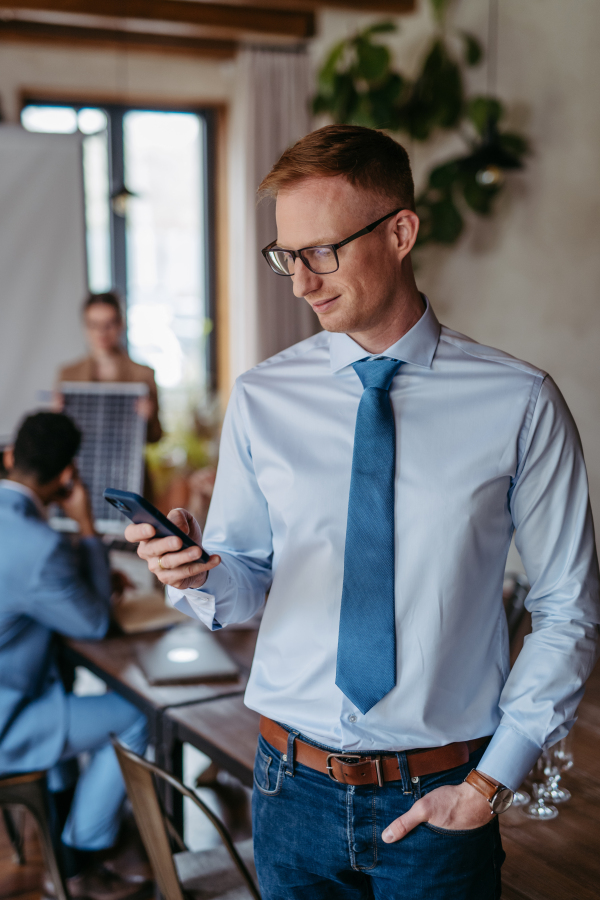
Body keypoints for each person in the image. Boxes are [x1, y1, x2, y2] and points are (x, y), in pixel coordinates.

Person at [124, 126, 600, 899]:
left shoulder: (520, 402)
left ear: (401, 231)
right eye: (286, 256)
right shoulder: (263, 397)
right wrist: (200, 571)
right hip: (286, 788)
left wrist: (490, 783)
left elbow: (567, 609)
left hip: (441, 794)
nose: (302, 282)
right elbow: (248, 582)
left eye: (324, 251)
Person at [0, 412, 149, 900]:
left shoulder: (32, 540)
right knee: (136, 716)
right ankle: (82, 854)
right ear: (68, 476)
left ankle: (89, 834)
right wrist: (86, 526)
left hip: (21, 692)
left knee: (61, 690)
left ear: (9, 457)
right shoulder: (41, 548)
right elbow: (94, 623)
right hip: (8, 721)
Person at [57, 292, 162, 444]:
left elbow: (156, 436)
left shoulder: (143, 375)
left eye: (109, 324)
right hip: (84, 463)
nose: (101, 332)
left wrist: (149, 418)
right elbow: (60, 437)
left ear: (121, 324)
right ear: (85, 327)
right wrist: (57, 415)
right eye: (94, 325)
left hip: (129, 462)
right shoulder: (68, 375)